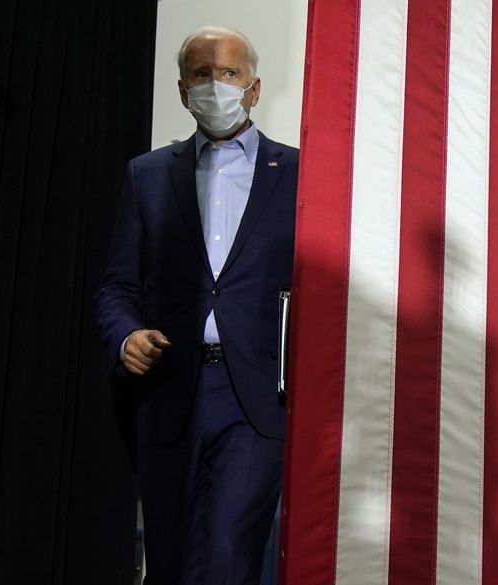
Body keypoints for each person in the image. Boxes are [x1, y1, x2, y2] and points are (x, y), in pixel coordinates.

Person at [95, 26, 298, 585]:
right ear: (183, 91)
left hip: (256, 397)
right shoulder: (148, 174)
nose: (216, 86)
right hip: (169, 390)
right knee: (171, 556)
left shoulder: (303, 175)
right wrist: (125, 336)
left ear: (254, 89)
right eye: (202, 75)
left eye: (229, 73)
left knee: (230, 550)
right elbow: (118, 286)